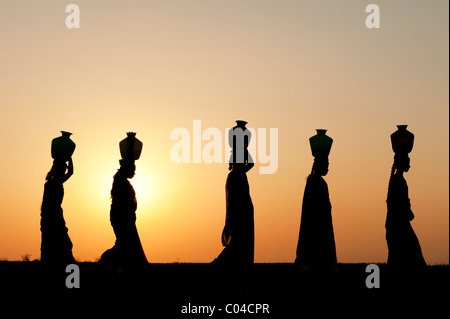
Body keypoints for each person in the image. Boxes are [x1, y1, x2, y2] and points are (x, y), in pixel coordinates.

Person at [99, 159, 148, 271]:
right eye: (132, 170)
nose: (134, 173)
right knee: (124, 243)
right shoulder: (120, 181)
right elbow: (123, 202)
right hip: (122, 217)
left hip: (125, 217)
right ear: (127, 169)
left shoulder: (121, 180)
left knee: (126, 243)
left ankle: (122, 266)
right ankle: (105, 260)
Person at [295, 158, 338, 272]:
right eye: (326, 166)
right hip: (317, 220)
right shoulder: (315, 181)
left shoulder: (317, 181)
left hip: (322, 219)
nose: (328, 169)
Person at [386, 154, 426, 270]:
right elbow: (398, 202)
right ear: (402, 164)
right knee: (411, 251)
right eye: (408, 163)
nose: (409, 166)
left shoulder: (398, 180)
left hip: (397, 222)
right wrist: (407, 211)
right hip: (399, 223)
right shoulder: (398, 181)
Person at [40, 158, 76, 266]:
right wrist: (69, 159)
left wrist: (69, 159)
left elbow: (70, 172)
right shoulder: (54, 183)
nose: (65, 171)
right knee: (62, 247)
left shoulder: (54, 182)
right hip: (53, 220)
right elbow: (71, 172)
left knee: (52, 250)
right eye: (63, 168)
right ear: (58, 169)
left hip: (51, 219)